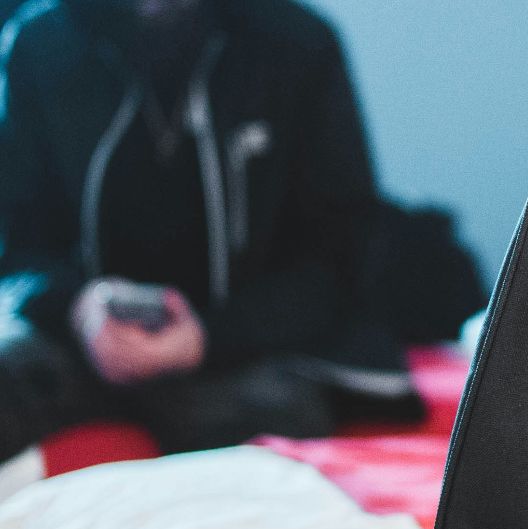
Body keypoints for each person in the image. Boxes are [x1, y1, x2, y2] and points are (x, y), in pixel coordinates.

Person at [0, 0, 418, 464]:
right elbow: (18, 249)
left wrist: (209, 338)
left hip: (243, 353)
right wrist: (81, 309)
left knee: (274, 411)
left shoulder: (298, 44)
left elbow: (344, 255)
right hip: (83, 346)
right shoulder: (40, 44)